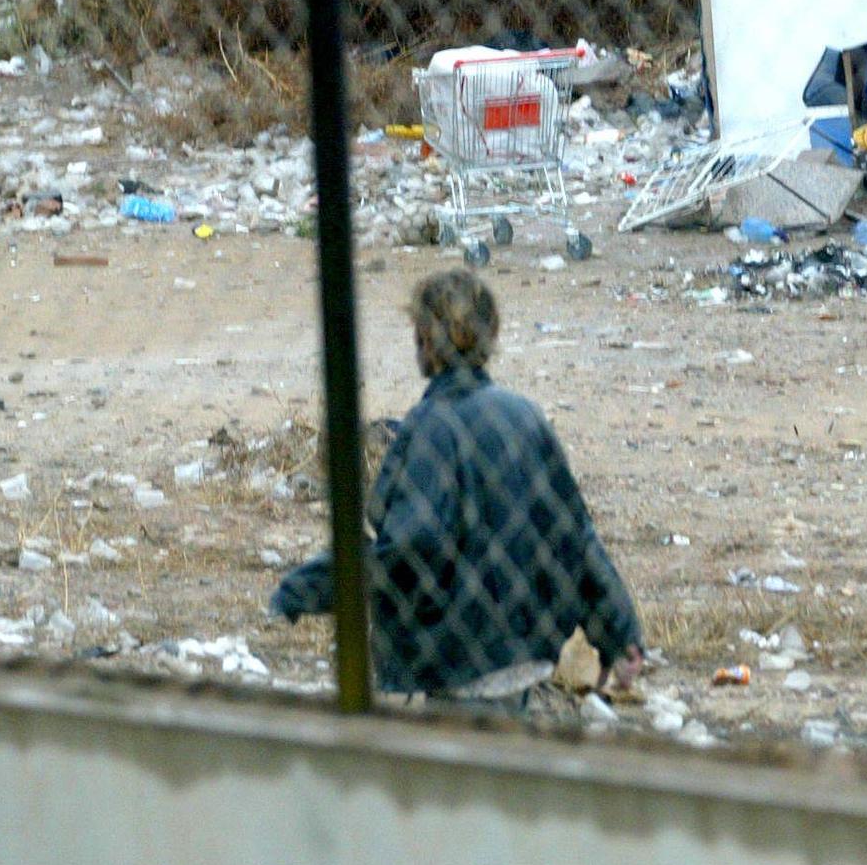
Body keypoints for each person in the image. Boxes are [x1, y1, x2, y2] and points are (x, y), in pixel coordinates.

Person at [272, 270, 642, 697]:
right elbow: (575, 537)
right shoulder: (526, 418)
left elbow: (409, 549)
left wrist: (306, 588)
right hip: (527, 655)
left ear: (426, 338)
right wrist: (620, 634)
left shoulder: (431, 428)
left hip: (453, 667)